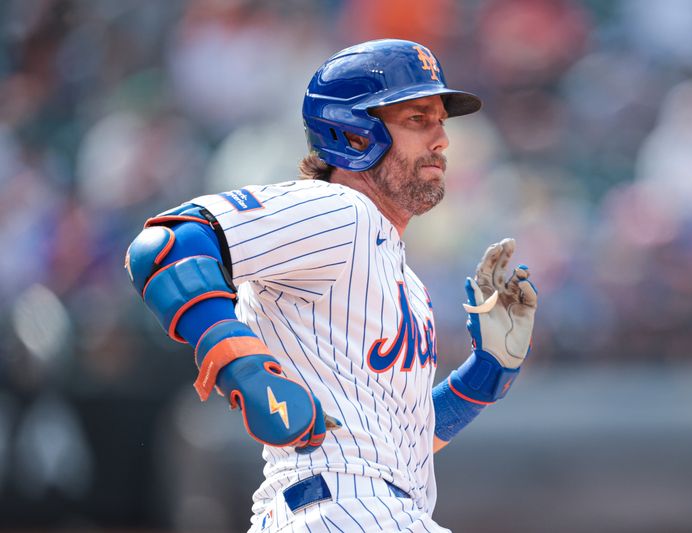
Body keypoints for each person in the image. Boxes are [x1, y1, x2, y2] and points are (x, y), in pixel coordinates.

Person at [126, 39, 538, 532]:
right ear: (355, 133)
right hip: (343, 509)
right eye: (417, 119)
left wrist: (484, 377)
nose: (442, 139)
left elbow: (397, 442)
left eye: (440, 121)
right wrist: (242, 366)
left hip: (357, 508)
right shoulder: (341, 212)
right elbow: (166, 244)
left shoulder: (400, 274)